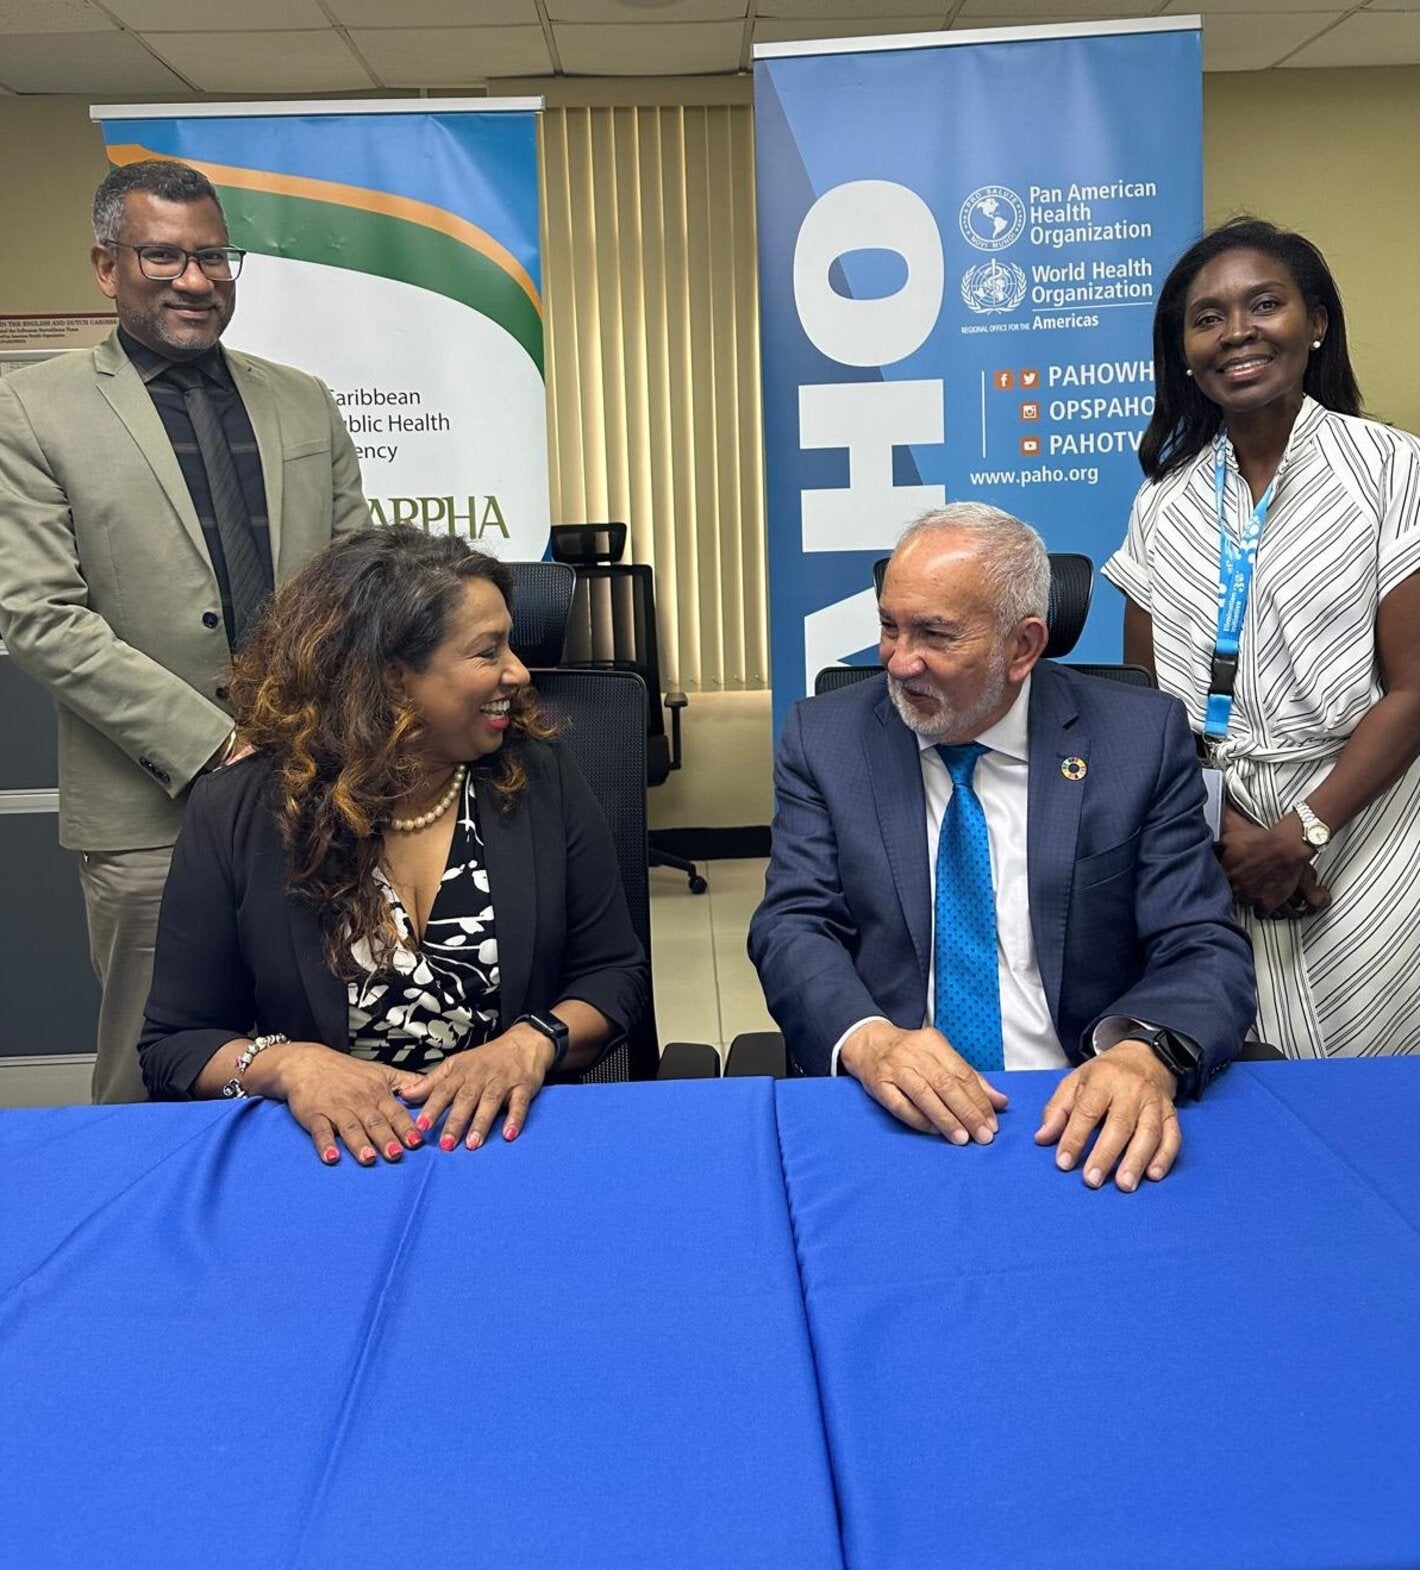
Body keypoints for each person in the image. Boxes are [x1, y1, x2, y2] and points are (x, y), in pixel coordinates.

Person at [0, 159, 370, 1102]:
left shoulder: (302, 399)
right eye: (162, 256)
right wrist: (217, 747)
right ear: (106, 266)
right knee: (151, 1067)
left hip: (316, 788)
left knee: (329, 1046)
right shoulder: (33, 409)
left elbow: (356, 583)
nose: (195, 280)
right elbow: (38, 616)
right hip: (148, 809)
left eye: (212, 256)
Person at [748, 505, 1255, 1192]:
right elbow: (793, 924)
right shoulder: (826, 738)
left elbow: (1201, 942)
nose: (898, 660)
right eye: (889, 626)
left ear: (1023, 646)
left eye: (934, 634)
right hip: (897, 1106)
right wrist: (868, 1039)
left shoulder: (1137, 740)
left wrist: (1143, 1054)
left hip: (1080, 1103)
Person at [138, 527, 648, 1164]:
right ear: (390, 678)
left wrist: (532, 1042)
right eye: (487, 652)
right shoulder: (239, 810)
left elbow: (614, 975)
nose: (517, 672)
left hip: (508, 1143)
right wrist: (289, 1066)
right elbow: (176, 1043)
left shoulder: (537, 777)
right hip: (333, 1155)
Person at [1104, 217, 1420, 1058]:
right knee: (1240, 1078)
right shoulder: (1162, 503)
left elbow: (1414, 690)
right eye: (1207, 318)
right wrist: (1231, 834)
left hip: (1370, 829)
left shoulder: (1393, 470)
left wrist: (1299, 834)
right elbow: (1148, 716)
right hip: (1215, 840)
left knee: (1371, 1088)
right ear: (1183, 352)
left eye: (1265, 305)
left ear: (1316, 323)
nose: (1236, 332)